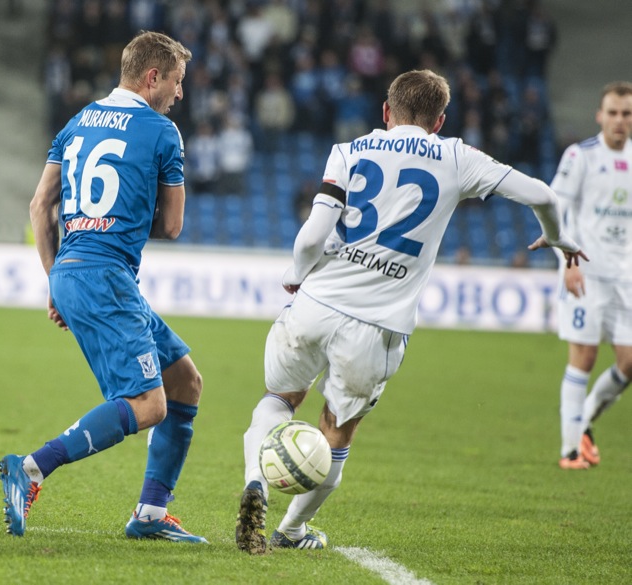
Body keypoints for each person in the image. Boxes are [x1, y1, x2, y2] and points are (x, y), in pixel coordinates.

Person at [235, 69, 587, 554]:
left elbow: (313, 236)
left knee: (277, 399)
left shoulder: (350, 150)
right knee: (338, 430)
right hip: (375, 327)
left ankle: (256, 478)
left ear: (386, 111)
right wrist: (557, 236)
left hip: (315, 304)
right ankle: (291, 531)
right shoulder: (456, 156)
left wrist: (297, 274)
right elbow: (543, 194)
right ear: (439, 121)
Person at [0, 31, 208, 544]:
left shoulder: (76, 123)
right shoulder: (162, 132)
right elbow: (175, 225)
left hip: (72, 269)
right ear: (152, 77)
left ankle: (151, 514)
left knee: (185, 382)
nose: (180, 95)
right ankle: (29, 469)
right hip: (106, 276)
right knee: (149, 404)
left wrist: (56, 281)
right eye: (177, 83)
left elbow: (38, 205)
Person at [552, 81, 632, 470]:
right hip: (586, 273)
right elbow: (554, 210)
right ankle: (570, 451)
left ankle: (581, 424)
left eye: (626, 113)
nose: (619, 120)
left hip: (627, 277)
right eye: (613, 113)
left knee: (629, 363)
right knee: (583, 357)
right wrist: (568, 261)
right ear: (600, 115)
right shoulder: (579, 156)